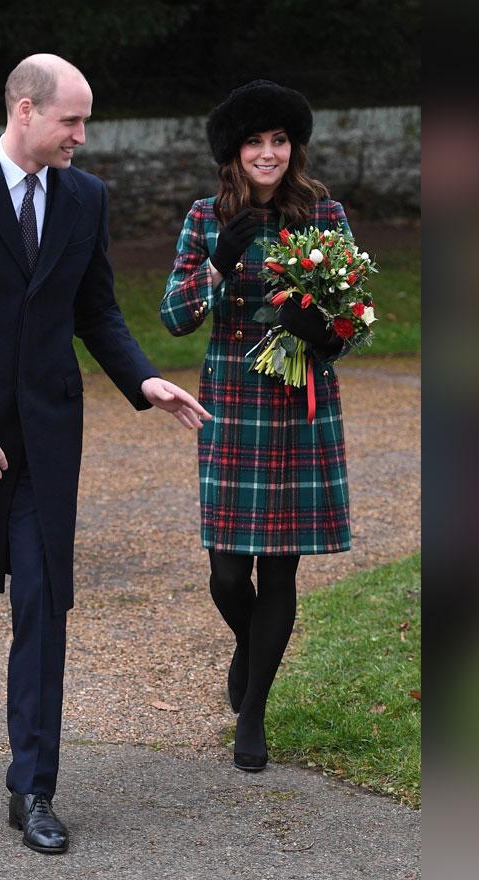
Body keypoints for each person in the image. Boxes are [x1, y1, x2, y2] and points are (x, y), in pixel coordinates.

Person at [0, 53, 209, 855]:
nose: (82, 136)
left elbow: (95, 309)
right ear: (24, 111)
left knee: (42, 602)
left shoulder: (86, 198)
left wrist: (144, 380)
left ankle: (32, 788)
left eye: (84, 121)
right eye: (71, 120)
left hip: (45, 442)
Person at [160, 80, 365, 772]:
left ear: (293, 149)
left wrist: (326, 330)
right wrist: (218, 264)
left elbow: (354, 317)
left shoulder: (324, 213)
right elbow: (173, 315)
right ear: (234, 153)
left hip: (300, 402)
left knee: (279, 571)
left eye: (280, 141)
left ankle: (252, 715)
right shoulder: (203, 217)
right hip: (234, 407)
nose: (269, 153)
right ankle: (249, 646)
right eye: (256, 142)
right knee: (226, 572)